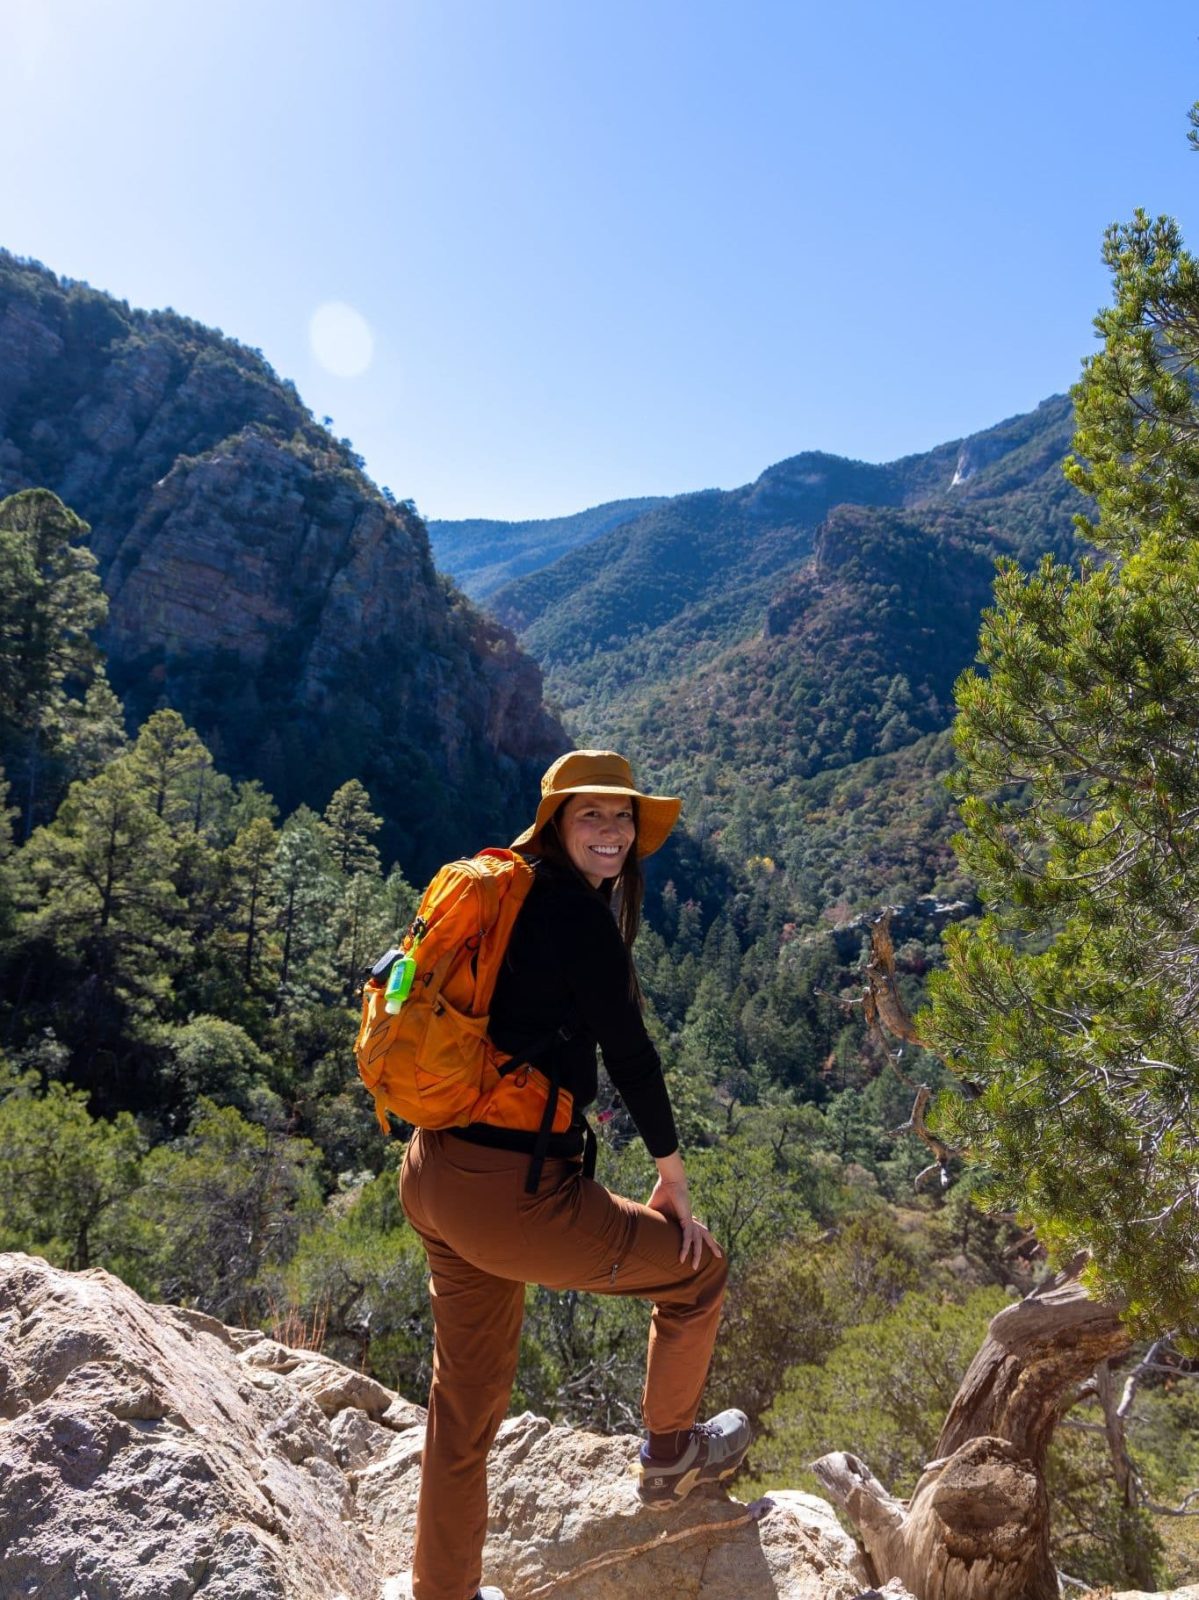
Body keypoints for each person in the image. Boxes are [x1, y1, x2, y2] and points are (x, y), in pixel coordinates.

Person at [397, 750, 751, 1600]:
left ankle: (440, 1589)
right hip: (511, 1196)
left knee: (464, 1405)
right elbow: (630, 1054)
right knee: (697, 1272)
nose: (611, 833)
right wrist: (673, 1180)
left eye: (622, 817)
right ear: (555, 821)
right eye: (590, 815)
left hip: (434, 1171)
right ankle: (670, 1455)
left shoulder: (503, 889)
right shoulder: (573, 914)